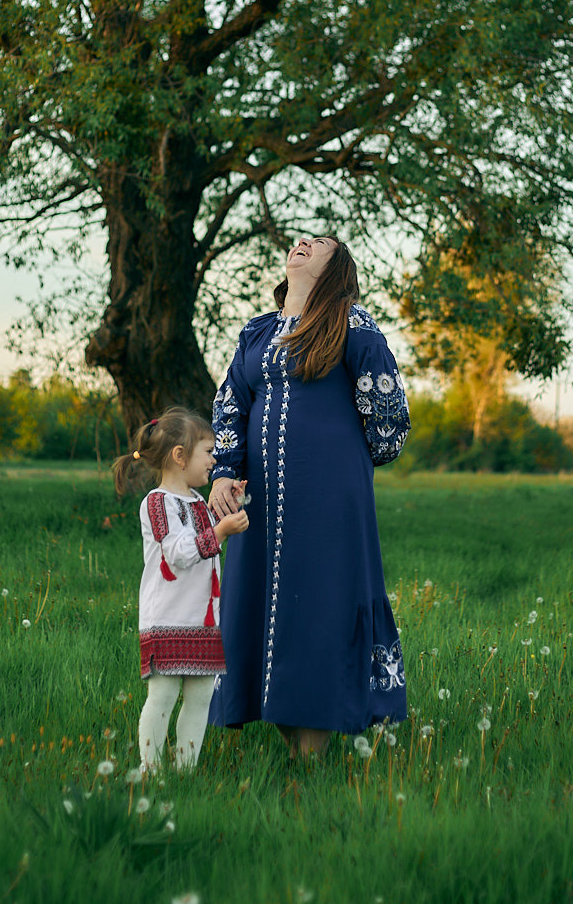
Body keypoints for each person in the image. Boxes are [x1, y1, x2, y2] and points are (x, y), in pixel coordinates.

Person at [207, 237, 410, 757]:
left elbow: (388, 411)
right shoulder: (257, 331)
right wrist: (224, 473)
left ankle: (312, 754)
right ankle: (285, 726)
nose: (302, 243)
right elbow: (230, 403)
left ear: (335, 268)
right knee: (261, 602)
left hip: (329, 497)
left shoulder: (352, 323)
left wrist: (343, 460)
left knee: (319, 604)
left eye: (318, 244)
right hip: (261, 502)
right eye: (299, 240)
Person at [114, 409, 249, 772]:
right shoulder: (157, 503)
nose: (214, 460)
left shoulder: (197, 503)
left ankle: (185, 771)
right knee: (163, 695)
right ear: (180, 455)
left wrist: (228, 511)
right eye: (207, 451)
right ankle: (151, 770)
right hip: (168, 617)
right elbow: (178, 554)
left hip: (203, 619)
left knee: (201, 695)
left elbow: (203, 542)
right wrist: (221, 532)